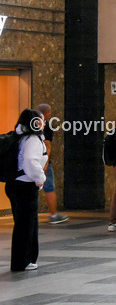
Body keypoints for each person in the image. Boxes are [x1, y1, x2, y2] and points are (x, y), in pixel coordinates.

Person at [7, 109, 47, 271]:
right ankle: (22, 261)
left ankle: (24, 259)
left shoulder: (20, 136)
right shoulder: (33, 139)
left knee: (22, 224)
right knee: (26, 225)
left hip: (14, 184)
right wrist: (40, 179)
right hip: (25, 186)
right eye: (42, 120)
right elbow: (30, 161)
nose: (44, 123)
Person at [35, 104, 68, 224]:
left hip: (30, 160)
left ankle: (30, 213)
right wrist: (46, 163)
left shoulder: (31, 123)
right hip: (42, 161)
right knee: (49, 187)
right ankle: (54, 214)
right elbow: (47, 145)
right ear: (47, 113)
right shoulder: (46, 126)